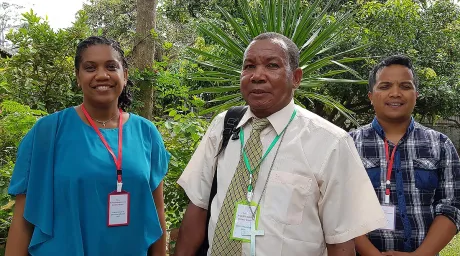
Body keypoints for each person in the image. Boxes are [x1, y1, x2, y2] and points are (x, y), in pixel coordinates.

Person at [174, 32, 386, 256]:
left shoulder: (331, 143)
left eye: (272, 65)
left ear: (295, 77)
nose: (257, 76)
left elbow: (340, 241)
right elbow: (198, 206)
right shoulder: (223, 126)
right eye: (249, 66)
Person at [5, 36, 170, 256]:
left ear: (125, 74)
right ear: (78, 76)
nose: (102, 75)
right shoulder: (48, 132)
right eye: (90, 67)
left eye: (111, 66)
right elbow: (23, 220)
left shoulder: (146, 132)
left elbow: (157, 212)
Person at [349, 55, 460, 255]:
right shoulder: (348, 144)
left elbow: (451, 207)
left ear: (416, 95)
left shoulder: (440, 145)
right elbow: (340, 209)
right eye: (385, 86)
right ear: (371, 96)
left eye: (405, 86)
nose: (395, 93)